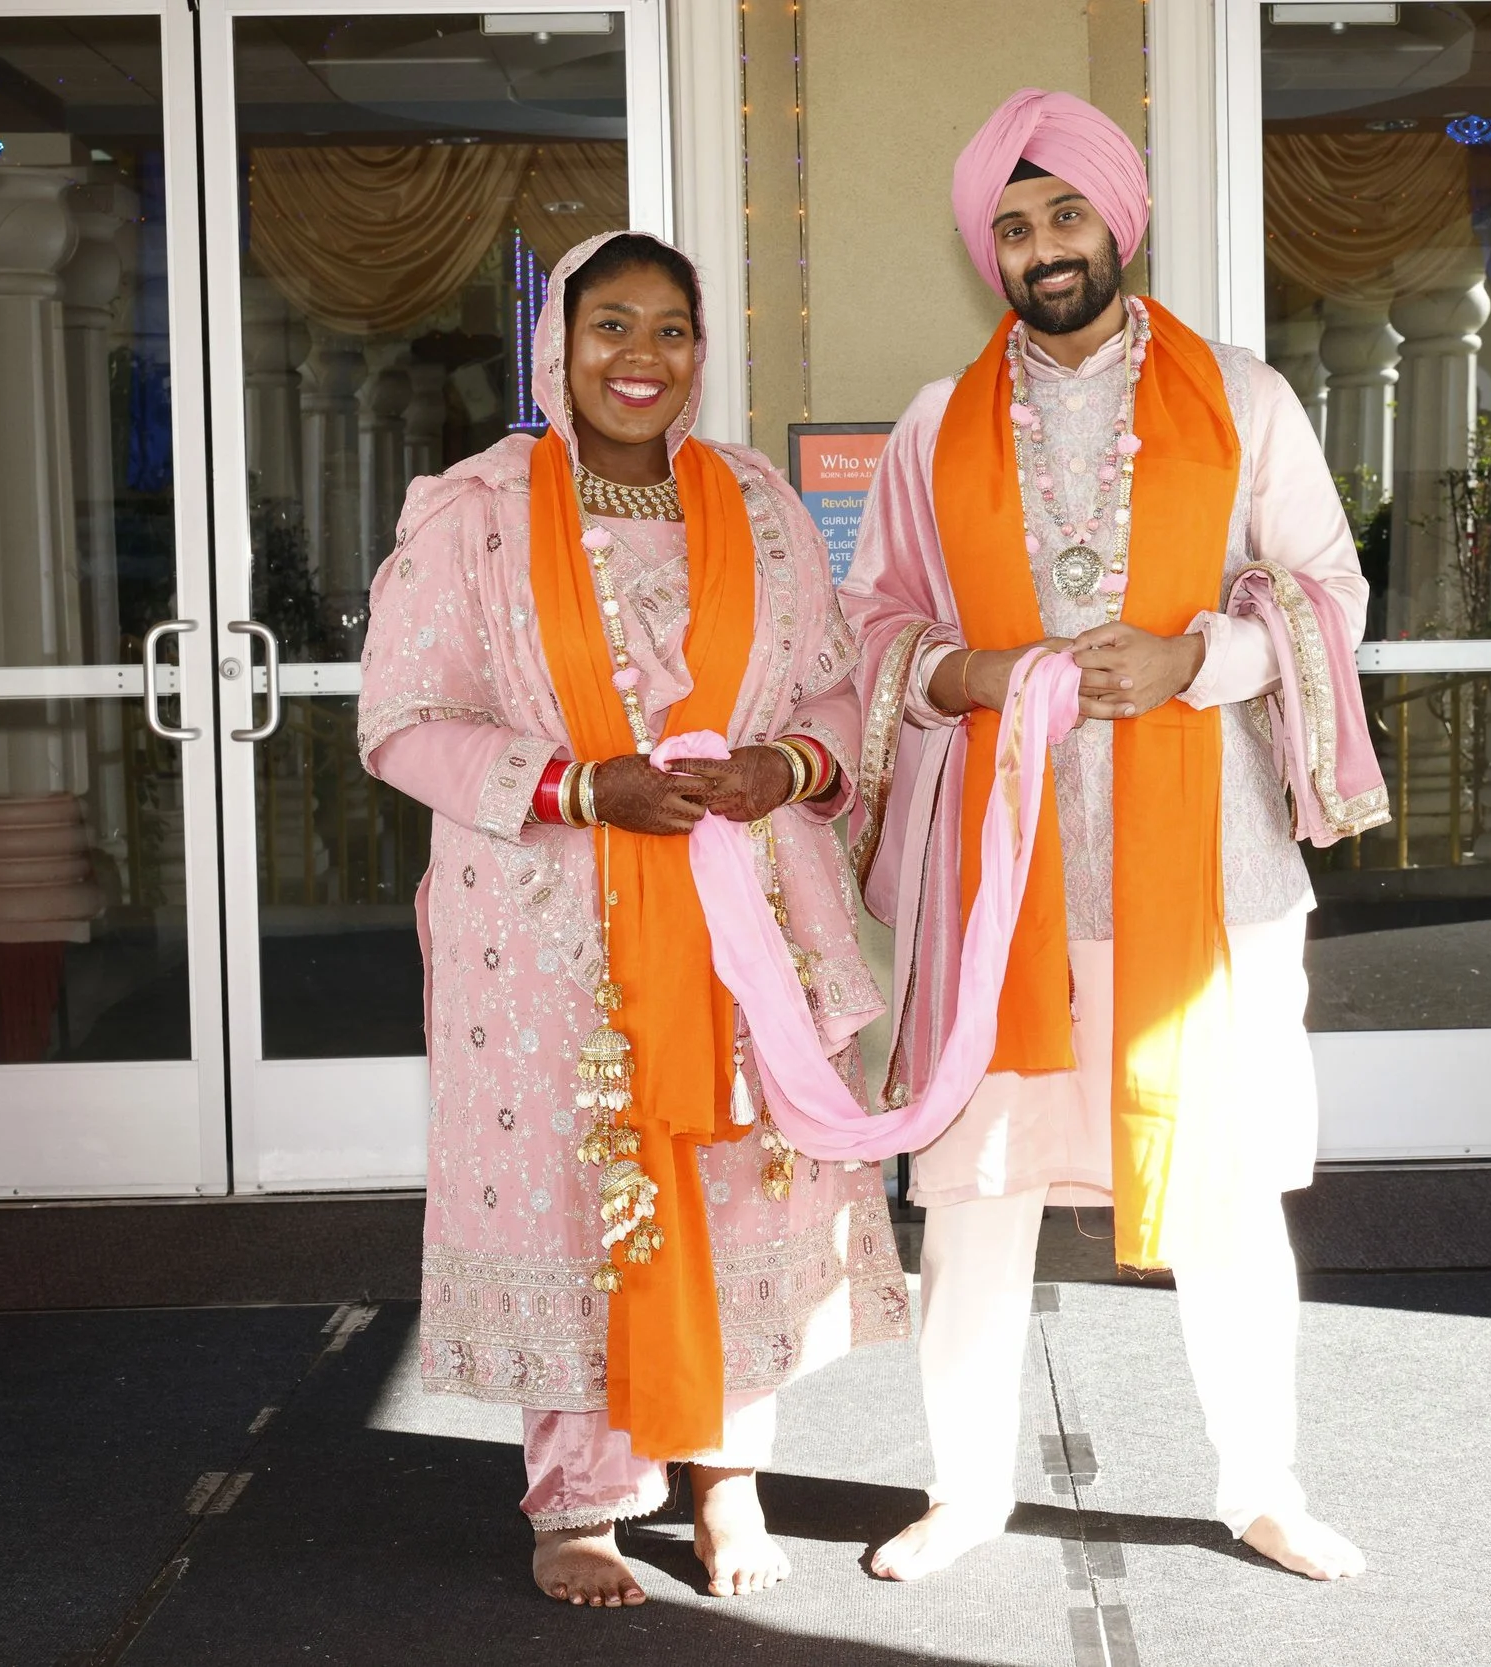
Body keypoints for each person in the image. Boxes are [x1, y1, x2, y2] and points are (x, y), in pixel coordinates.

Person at [841, 90, 1389, 1584]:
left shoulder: (1247, 399)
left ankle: (1261, 1482)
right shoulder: (932, 427)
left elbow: (1326, 593)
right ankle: (967, 1488)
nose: (1041, 249)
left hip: (1207, 877)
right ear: (989, 251)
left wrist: (1192, 660)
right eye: (1012, 227)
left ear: (1116, 222)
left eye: (1063, 215)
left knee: (1222, 1192)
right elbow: (876, 624)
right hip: (1001, 875)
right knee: (976, 1198)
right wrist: (972, 676)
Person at [359, 230, 909, 1609]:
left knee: (734, 1182)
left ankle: (728, 1471)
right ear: (557, 346)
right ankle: (582, 1500)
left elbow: (837, 694)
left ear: (701, 351)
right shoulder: (475, 512)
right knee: (586, 1190)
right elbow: (399, 722)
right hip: (552, 928)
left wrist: (776, 768)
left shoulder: (760, 502)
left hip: (739, 925)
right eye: (611, 326)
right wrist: (575, 782)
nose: (642, 358)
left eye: (672, 330)